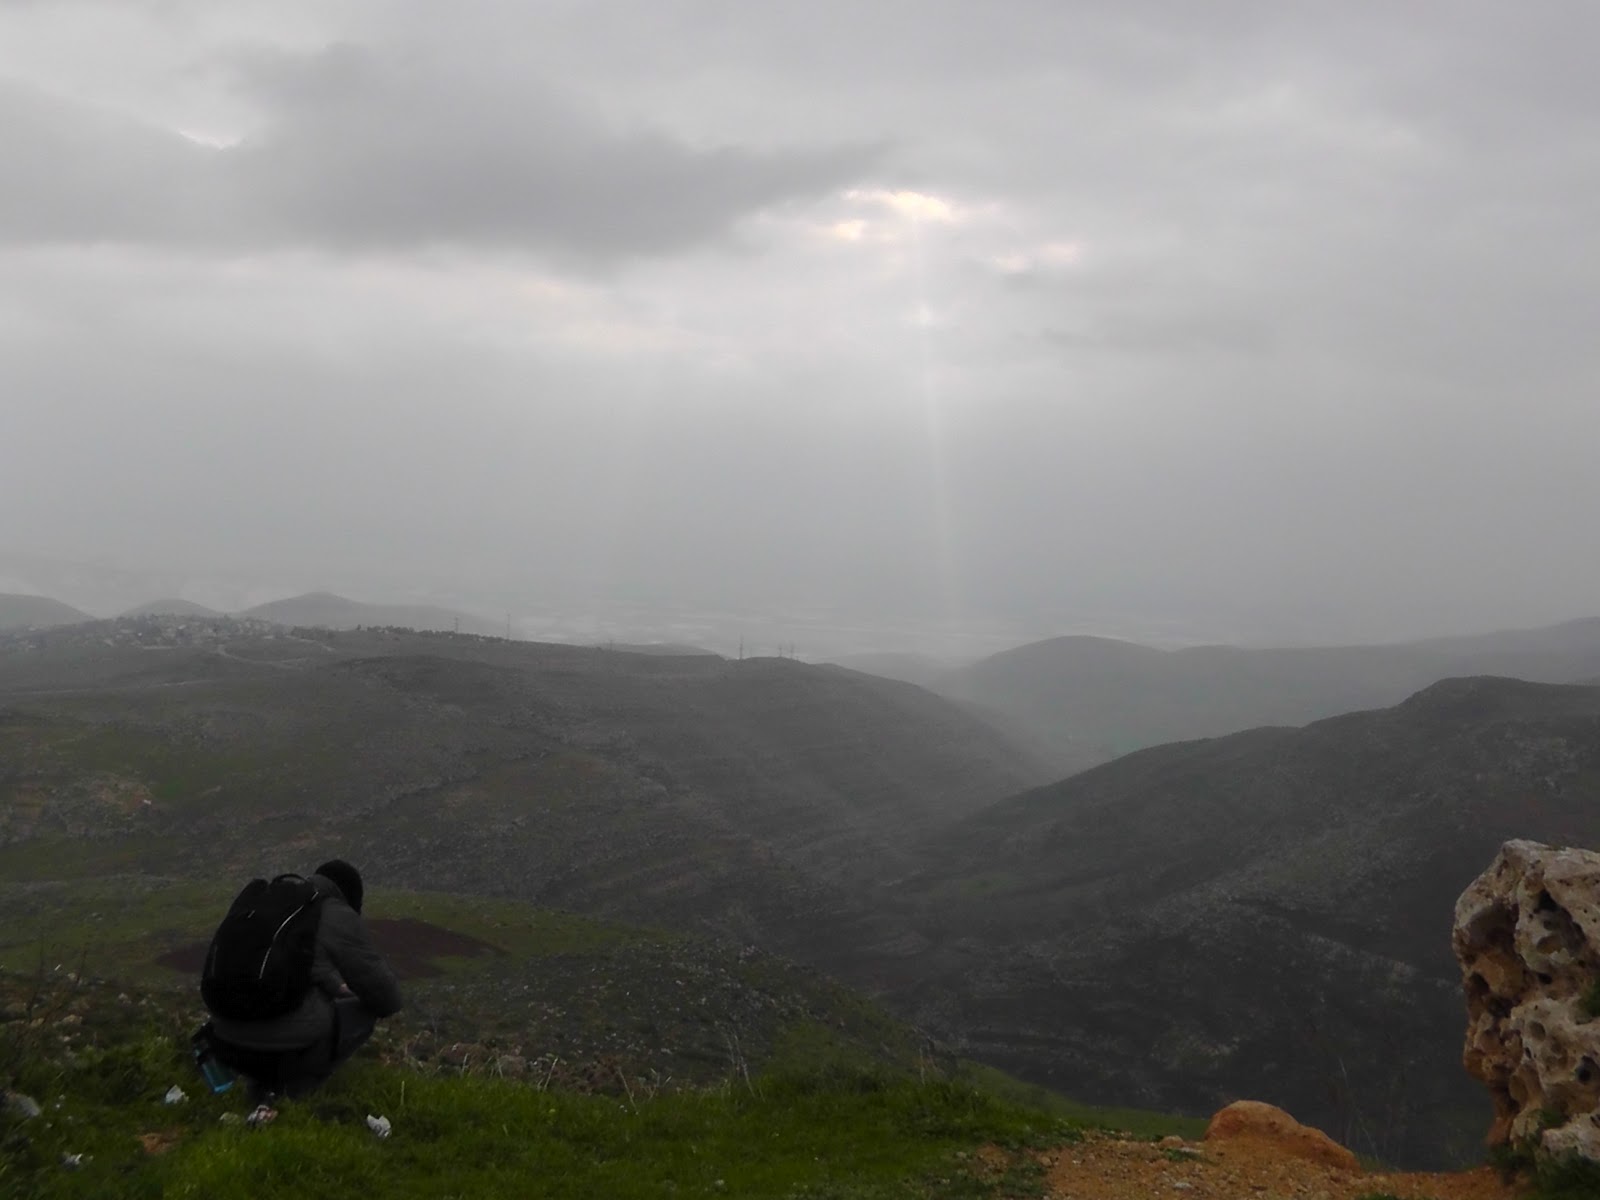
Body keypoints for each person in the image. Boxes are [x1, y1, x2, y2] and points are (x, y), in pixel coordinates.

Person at [207, 859, 403, 1106]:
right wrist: (350, 994)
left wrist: (336, 988)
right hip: (281, 1047)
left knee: (286, 1012)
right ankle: (298, 1095)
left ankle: (259, 1089)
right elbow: (387, 999)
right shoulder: (335, 912)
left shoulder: (278, 905)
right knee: (364, 1013)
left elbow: (303, 967)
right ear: (350, 897)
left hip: (225, 1040)